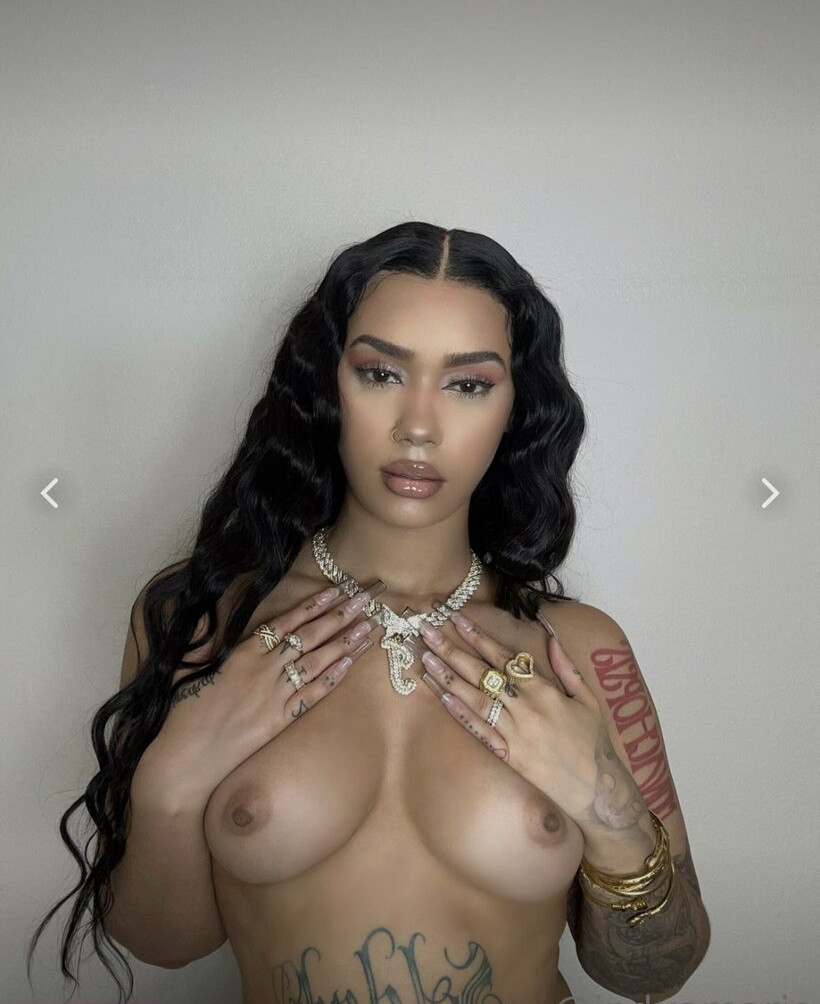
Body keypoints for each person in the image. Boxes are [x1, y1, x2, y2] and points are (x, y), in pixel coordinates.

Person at [27, 221, 710, 1004]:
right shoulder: (200, 618)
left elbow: (661, 971)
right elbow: (163, 944)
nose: (418, 427)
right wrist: (170, 786)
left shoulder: (578, 651)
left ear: (516, 408)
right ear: (328, 385)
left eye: (468, 384)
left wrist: (609, 808)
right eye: (381, 373)